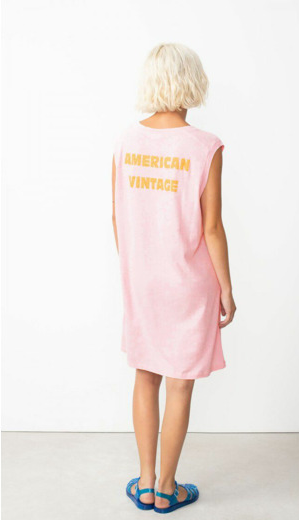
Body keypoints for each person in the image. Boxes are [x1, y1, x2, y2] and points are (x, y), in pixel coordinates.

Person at [112, 43, 236, 514]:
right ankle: (167, 488)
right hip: (188, 284)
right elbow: (212, 226)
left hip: (143, 281)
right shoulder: (205, 146)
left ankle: (145, 484)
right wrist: (227, 287)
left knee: (146, 376)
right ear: (191, 81)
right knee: (180, 383)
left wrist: (137, 268)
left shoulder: (126, 141)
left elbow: (117, 216)